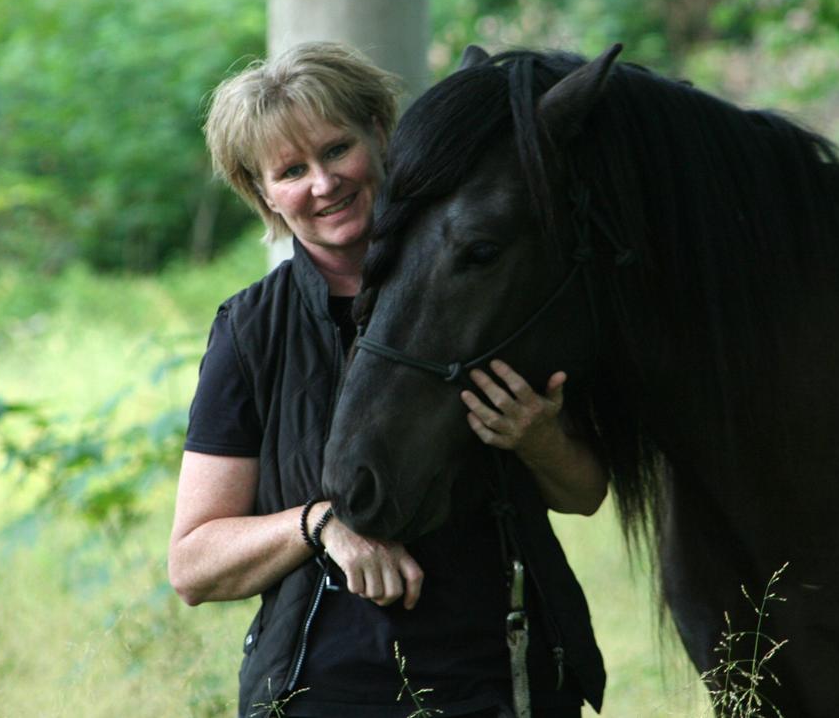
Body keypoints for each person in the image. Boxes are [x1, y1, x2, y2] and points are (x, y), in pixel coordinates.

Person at [168, 42, 609, 718]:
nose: (322, 183)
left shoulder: (485, 277)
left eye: (336, 149)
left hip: (508, 682)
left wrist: (539, 437)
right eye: (291, 170)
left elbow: (585, 493)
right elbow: (194, 565)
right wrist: (319, 525)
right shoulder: (251, 330)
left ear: (382, 134)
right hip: (318, 695)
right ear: (263, 194)